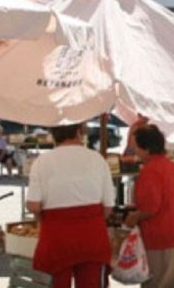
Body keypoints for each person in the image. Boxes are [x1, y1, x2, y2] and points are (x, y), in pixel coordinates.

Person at [26, 123, 115, 288]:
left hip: (56, 238)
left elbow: (33, 206)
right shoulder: (97, 158)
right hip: (92, 236)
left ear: (53, 135)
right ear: (78, 132)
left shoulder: (42, 161)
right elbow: (108, 207)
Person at [123, 125, 174, 288]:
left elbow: (150, 208)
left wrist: (133, 217)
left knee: (159, 283)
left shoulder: (150, 171)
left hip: (163, 237)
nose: (134, 151)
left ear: (147, 149)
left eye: (136, 148)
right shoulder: (171, 167)